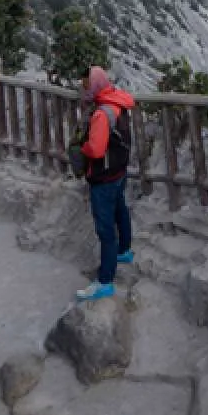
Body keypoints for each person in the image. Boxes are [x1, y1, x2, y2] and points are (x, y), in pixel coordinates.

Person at [75, 66, 135, 301]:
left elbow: (96, 149)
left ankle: (105, 282)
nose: (84, 89)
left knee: (105, 229)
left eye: (87, 84)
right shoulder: (118, 103)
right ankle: (125, 251)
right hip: (119, 172)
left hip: (103, 178)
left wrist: (83, 148)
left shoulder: (101, 114)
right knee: (121, 210)